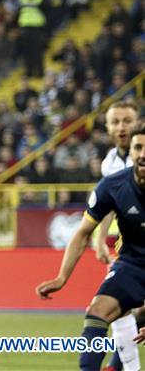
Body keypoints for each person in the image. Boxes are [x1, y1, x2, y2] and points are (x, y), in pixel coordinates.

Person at [36, 128, 145, 371]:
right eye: (138, 148)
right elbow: (83, 232)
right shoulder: (114, 185)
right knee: (97, 312)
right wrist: (62, 277)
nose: (143, 154)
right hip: (132, 265)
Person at [93, 101, 139, 371]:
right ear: (108, 128)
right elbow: (107, 204)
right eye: (115, 122)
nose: (122, 127)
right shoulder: (109, 163)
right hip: (131, 245)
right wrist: (100, 239)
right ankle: (120, 367)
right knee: (121, 304)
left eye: (127, 120)